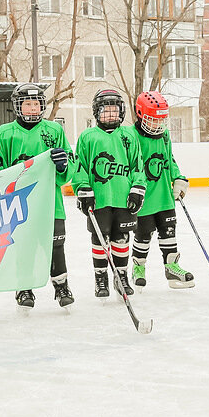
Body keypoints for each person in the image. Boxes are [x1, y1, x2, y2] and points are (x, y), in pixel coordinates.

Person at [0, 83, 75, 308]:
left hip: (50, 202)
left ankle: (61, 285)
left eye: (36, 104)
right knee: (24, 244)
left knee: (56, 243)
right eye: (27, 104)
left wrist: (62, 165)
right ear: (18, 106)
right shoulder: (5, 132)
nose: (32, 108)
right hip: (19, 202)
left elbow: (68, 166)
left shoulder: (54, 130)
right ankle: (24, 287)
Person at [72, 89, 146, 298]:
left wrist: (137, 189)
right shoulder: (88, 136)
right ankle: (101, 277)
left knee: (121, 239)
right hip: (100, 199)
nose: (111, 115)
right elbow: (80, 168)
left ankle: (121, 276)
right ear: (97, 112)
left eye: (115, 111)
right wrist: (83, 189)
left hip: (123, 199)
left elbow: (137, 166)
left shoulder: (129, 134)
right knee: (100, 240)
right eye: (106, 111)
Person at [123, 91, 195, 289]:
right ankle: (138, 266)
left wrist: (178, 177)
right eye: (153, 119)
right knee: (143, 234)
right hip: (144, 196)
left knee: (168, 229)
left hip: (164, 195)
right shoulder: (130, 135)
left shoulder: (164, 134)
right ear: (140, 114)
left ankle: (172, 268)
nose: (158, 124)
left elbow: (169, 159)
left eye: (162, 119)